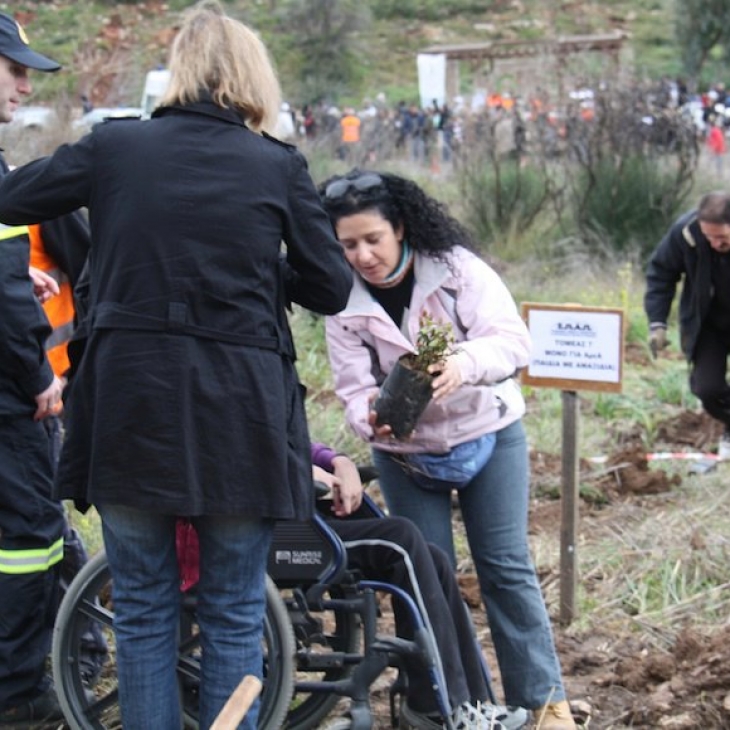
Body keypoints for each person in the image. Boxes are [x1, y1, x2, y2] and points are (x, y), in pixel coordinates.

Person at [0, 2, 352, 728]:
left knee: (141, 610)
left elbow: (11, 197)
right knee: (231, 612)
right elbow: (331, 286)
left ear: (178, 71)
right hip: (240, 415)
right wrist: (255, 272)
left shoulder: (115, 149)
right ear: (255, 76)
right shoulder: (276, 163)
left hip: (132, 405)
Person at [320, 169, 577, 730]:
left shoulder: (457, 269)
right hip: (407, 455)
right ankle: (446, 704)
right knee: (425, 576)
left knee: (505, 568)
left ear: (401, 228)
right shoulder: (340, 296)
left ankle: (543, 703)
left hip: (489, 432)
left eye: (373, 240)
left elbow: (512, 341)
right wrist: (368, 418)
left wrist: (462, 364)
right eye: (348, 244)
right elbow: (352, 386)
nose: (362, 255)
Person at [311, 443, 529, 730]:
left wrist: (339, 461)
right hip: (283, 532)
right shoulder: (243, 401)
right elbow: (251, 455)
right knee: (401, 538)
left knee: (434, 558)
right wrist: (301, 472)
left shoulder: (279, 399)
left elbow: (294, 442)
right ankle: (441, 708)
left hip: (308, 512)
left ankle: (474, 704)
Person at [0, 11, 83, 726]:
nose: (24, 84)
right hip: (8, 403)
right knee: (27, 540)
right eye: (14, 67)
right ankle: (20, 692)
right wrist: (36, 375)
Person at [645, 191, 730, 459]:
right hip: (708, 324)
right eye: (710, 237)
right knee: (707, 388)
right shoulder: (686, 233)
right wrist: (657, 322)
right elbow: (661, 273)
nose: (715, 243)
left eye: (722, 238)